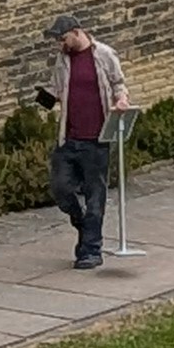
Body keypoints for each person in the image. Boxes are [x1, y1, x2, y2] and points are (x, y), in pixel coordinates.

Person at [38, 18, 125, 268]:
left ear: (77, 33)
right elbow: (56, 89)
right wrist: (42, 98)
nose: (60, 44)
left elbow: (119, 84)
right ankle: (82, 220)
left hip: (97, 139)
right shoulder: (63, 60)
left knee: (95, 195)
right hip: (69, 137)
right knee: (61, 188)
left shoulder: (105, 55)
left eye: (63, 39)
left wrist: (121, 101)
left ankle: (91, 251)